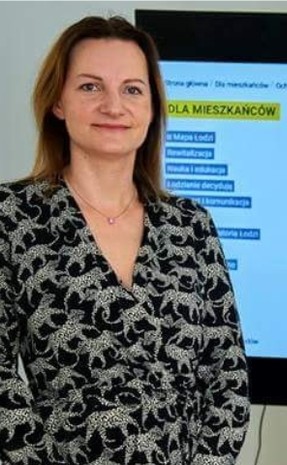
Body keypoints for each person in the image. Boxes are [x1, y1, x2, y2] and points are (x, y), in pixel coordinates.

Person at [0, 16, 250, 464]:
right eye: (90, 87)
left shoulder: (191, 226)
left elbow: (227, 379)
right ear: (58, 102)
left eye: (132, 89)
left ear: (152, 108)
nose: (113, 106)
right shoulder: (13, 216)